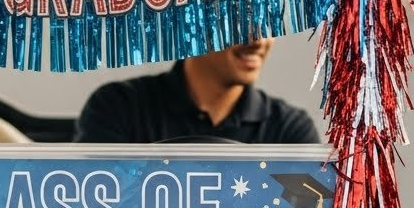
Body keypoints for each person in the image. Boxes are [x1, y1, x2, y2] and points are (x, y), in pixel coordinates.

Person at [74, 38, 319, 144]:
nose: (259, 40)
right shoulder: (118, 108)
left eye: (271, 20)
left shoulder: (289, 130)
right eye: (240, 18)